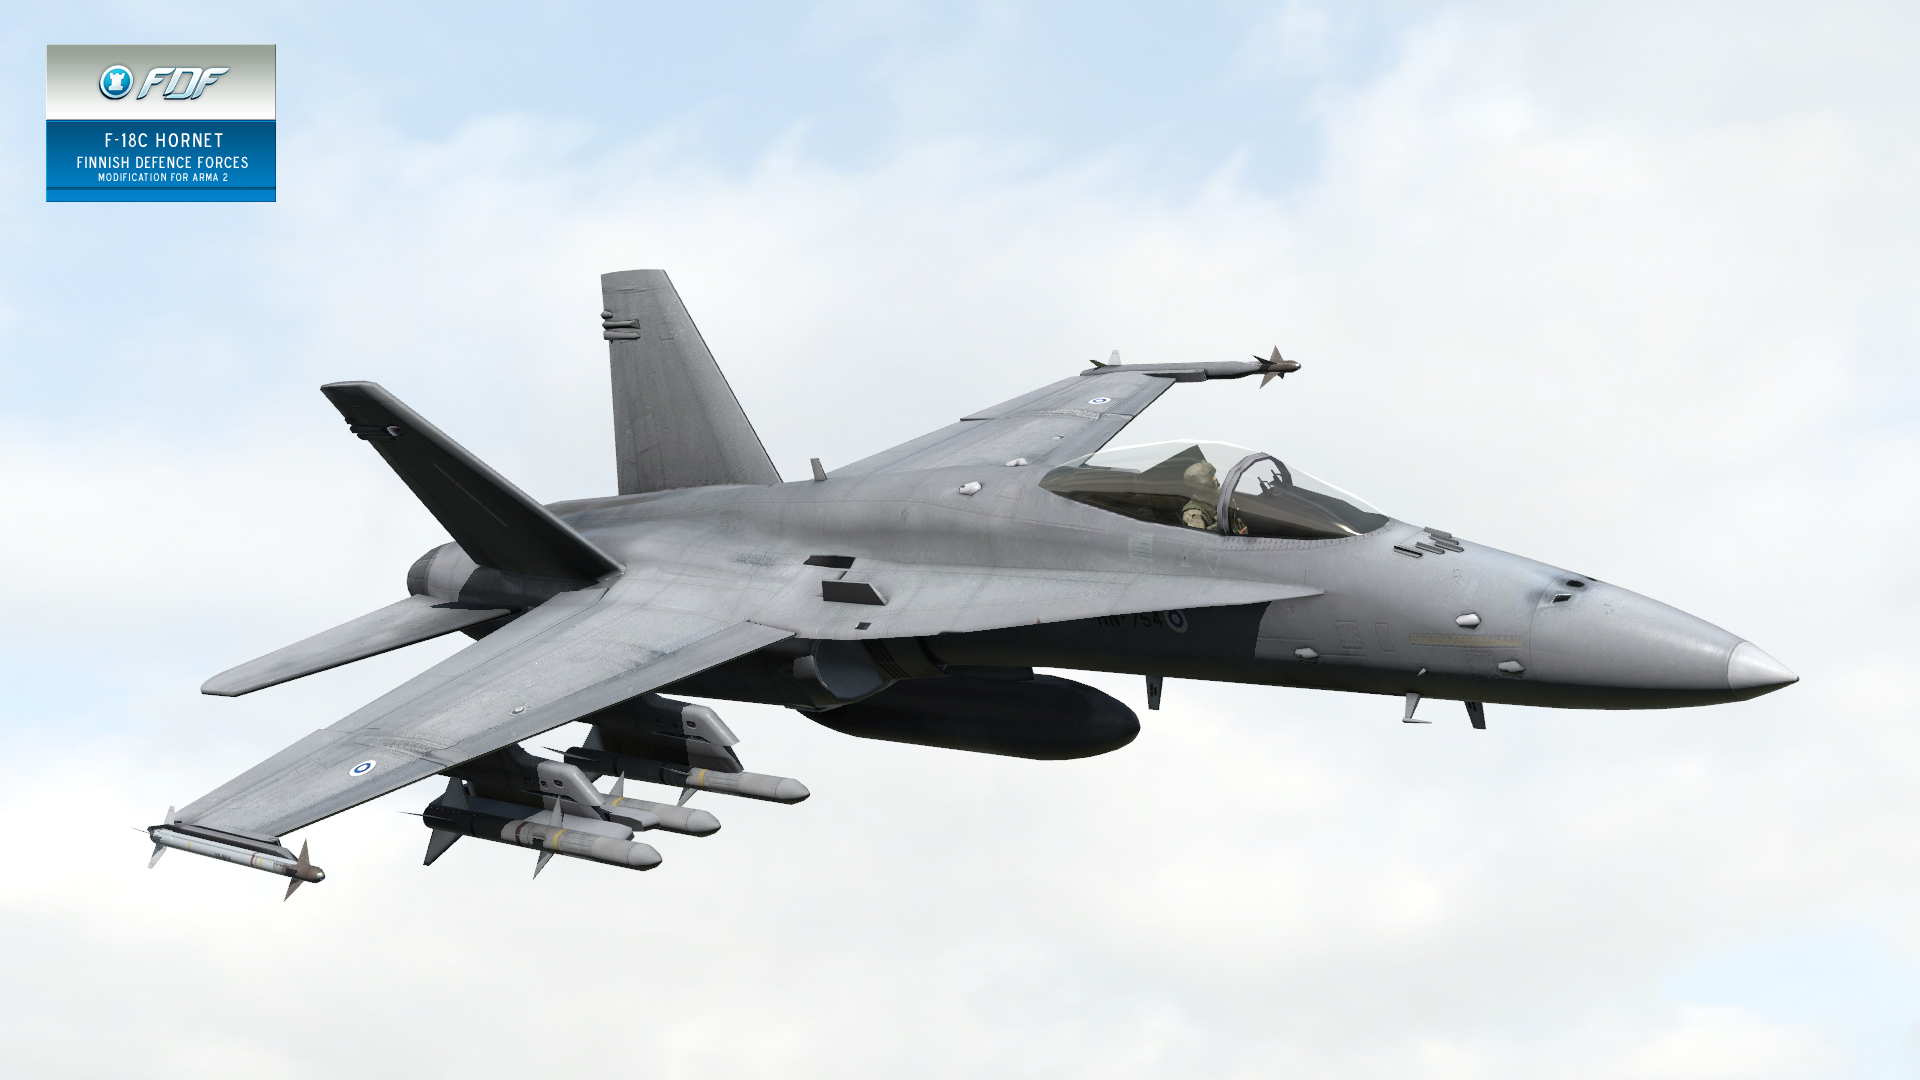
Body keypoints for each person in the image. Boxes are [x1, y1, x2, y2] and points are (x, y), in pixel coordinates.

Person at [1179, 461, 1248, 533]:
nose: (1215, 478)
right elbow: (1199, 538)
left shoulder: (1219, 493)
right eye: (1211, 477)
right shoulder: (1194, 514)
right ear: (1202, 485)